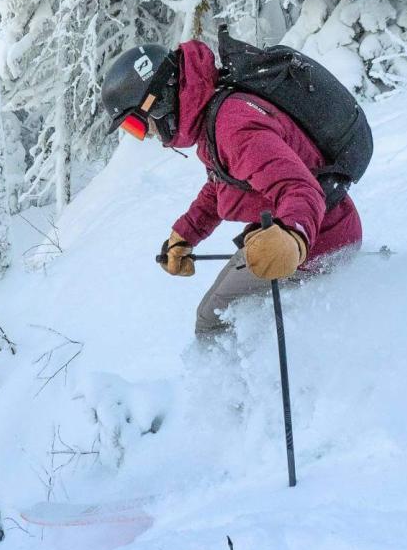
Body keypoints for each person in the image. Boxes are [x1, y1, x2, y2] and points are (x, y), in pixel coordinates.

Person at [102, 39, 363, 336]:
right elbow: (221, 185)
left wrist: (292, 235)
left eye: (136, 125)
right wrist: (185, 234)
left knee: (212, 321)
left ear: (157, 102)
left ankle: (240, 382)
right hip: (314, 233)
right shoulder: (217, 117)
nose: (147, 136)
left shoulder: (232, 125)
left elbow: (299, 188)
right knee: (218, 310)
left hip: (314, 242)